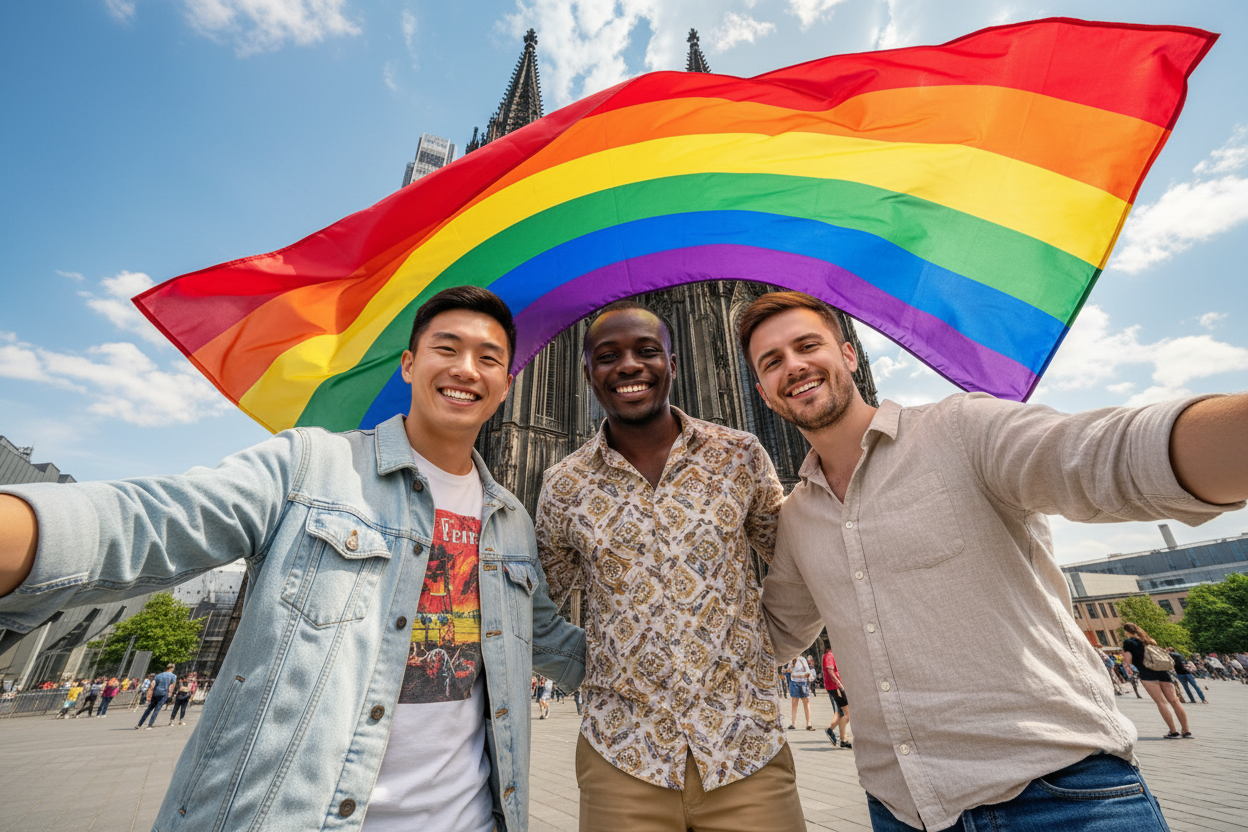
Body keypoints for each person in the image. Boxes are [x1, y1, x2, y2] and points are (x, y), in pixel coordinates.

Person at [0, 287, 585, 832]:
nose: (466, 369)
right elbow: (147, 522)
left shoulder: (510, 521)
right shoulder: (312, 467)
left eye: (488, 358)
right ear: (409, 365)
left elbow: (551, 643)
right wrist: (27, 528)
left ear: (505, 385)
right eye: (447, 349)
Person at [738, 291, 1247, 832]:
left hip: (1062, 798)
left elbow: (1104, 455)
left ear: (849, 354)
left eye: (807, 346)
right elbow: (763, 637)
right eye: (772, 361)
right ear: (763, 393)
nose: (793, 366)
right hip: (904, 811)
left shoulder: (961, 429)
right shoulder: (799, 518)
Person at [536, 301, 804, 832]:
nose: (629, 366)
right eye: (608, 356)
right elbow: (531, 605)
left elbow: (802, 559)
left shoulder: (738, 455)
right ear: (587, 374)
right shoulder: (564, 484)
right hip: (622, 756)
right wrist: (589, 667)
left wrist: (766, 647)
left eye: (647, 351)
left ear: (672, 365)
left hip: (744, 747)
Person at [1121, 624, 1190, 739]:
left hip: (1147, 673)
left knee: (1161, 702)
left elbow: (1128, 660)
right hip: (1163, 672)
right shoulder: (1150, 640)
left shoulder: (1129, 643)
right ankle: (1186, 730)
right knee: (1175, 701)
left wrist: (1127, 662)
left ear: (1126, 632)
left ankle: (1173, 731)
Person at [822, 649, 851, 749]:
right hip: (835, 688)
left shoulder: (830, 655)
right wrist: (840, 686)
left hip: (834, 687)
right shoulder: (829, 655)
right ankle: (841, 739)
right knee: (846, 714)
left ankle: (832, 732)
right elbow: (830, 672)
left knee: (841, 713)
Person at [136, 664, 177, 729]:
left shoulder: (158, 675)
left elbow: (152, 685)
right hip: (164, 693)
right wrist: (170, 693)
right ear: (173, 669)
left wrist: (149, 694)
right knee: (157, 709)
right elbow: (172, 686)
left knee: (149, 708)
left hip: (156, 692)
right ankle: (150, 724)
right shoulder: (173, 676)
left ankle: (139, 724)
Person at [788, 656, 814, 730]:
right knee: (794, 703)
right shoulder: (791, 660)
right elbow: (789, 671)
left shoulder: (802, 659)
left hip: (803, 683)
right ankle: (793, 723)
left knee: (806, 702)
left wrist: (797, 674)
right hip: (794, 683)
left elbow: (807, 672)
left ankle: (808, 723)